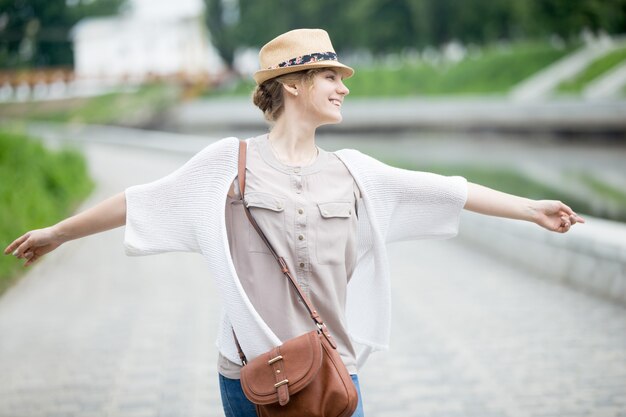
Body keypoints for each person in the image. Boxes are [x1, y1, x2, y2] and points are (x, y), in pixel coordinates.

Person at [4, 28, 584, 417]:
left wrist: (531, 208)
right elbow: (142, 198)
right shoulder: (226, 163)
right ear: (291, 85)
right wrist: (57, 233)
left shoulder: (356, 173)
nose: (343, 87)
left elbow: (445, 191)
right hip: (250, 373)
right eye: (330, 76)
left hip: (335, 373)